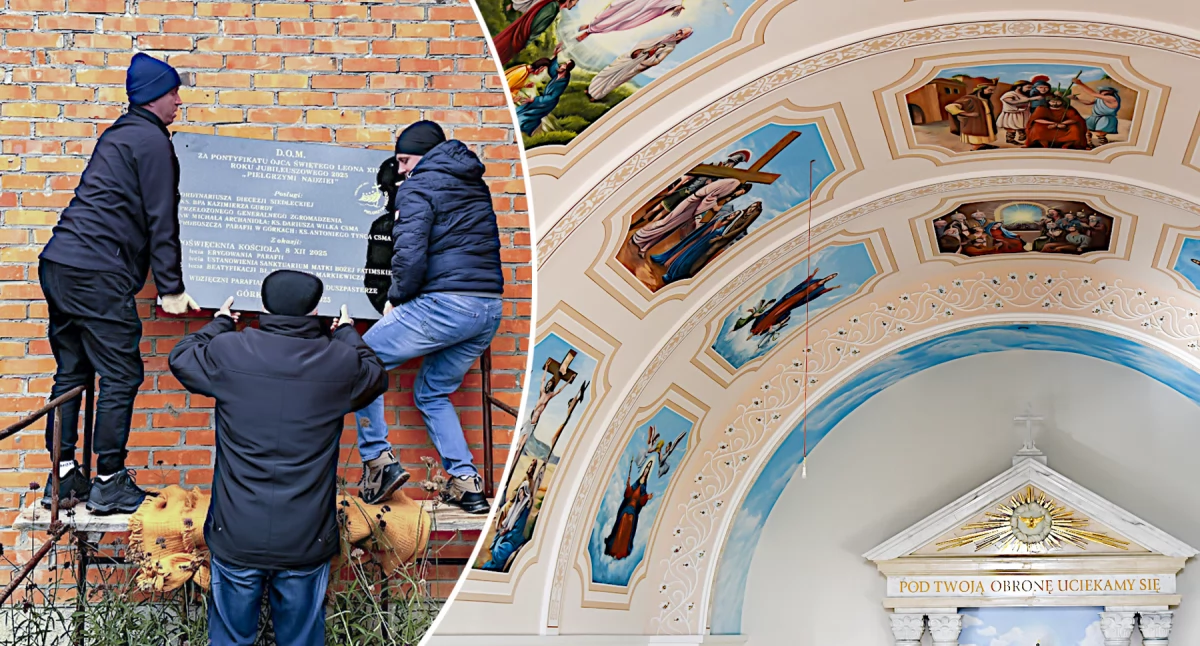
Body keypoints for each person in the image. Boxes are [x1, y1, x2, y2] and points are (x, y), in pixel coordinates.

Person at [168, 271, 387, 646]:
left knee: (231, 640)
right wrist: (348, 332)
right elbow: (376, 374)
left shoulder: (230, 350)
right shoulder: (339, 361)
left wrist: (219, 324)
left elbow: (181, 356)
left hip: (236, 532)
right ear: (316, 310)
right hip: (305, 537)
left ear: (263, 305)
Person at [38, 53, 202, 514]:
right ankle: (109, 480)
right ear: (154, 97)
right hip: (95, 273)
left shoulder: (119, 135)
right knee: (122, 372)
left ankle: (64, 476)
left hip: (59, 262)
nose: (178, 101)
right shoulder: (152, 143)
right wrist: (170, 288)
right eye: (173, 93)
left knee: (72, 371)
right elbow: (160, 219)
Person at [353, 121, 505, 514]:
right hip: (487, 309)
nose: (401, 169)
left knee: (360, 362)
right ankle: (467, 481)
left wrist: (396, 298)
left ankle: (377, 462)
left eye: (404, 159)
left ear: (421, 154)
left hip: (446, 304)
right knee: (432, 391)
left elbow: (410, 252)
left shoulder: (419, 185)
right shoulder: (473, 184)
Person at [587, 28, 692, 101]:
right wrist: (638, 50)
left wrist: (649, 56)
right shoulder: (666, 36)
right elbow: (645, 42)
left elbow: (657, 60)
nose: (679, 33)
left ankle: (597, 95)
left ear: (683, 37)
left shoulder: (670, 47)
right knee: (609, 70)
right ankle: (591, 88)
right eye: (680, 30)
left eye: (682, 33)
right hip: (632, 57)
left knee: (617, 79)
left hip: (639, 63)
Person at [516, 59, 576, 136]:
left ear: (566, 69)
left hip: (547, 103)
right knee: (526, 108)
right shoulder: (559, 74)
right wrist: (555, 56)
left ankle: (524, 127)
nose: (561, 65)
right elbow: (552, 70)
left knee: (531, 114)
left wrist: (534, 100)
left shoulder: (563, 82)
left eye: (564, 65)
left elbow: (552, 97)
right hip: (544, 100)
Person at [576, 0, 684, 41]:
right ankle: (592, 24)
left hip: (640, 6)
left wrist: (677, 7)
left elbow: (674, 3)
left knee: (619, 18)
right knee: (613, 7)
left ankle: (589, 31)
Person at [943, 83, 998, 151]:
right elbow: (950, 107)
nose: (992, 92)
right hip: (973, 123)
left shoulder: (984, 99)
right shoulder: (969, 99)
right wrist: (968, 114)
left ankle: (981, 145)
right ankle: (976, 148)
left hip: (985, 121)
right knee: (975, 136)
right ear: (981, 90)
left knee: (984, 133)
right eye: (990, 90)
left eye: (993, 90)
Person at [1072, 82, 1121, 148]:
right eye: (1102, 91)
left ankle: (1102, 146)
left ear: (1111, 92)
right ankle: (1089, 143)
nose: (1102, 92)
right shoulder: (1100, 99)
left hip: (1105, 118)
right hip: (1095, 116)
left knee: (1100, 133)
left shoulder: (1111, 99)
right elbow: (1089, 102)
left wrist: (1080, 83)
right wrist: (1077, 99)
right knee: (1086, 129)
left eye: (1105, 91)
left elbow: (1093, 94)